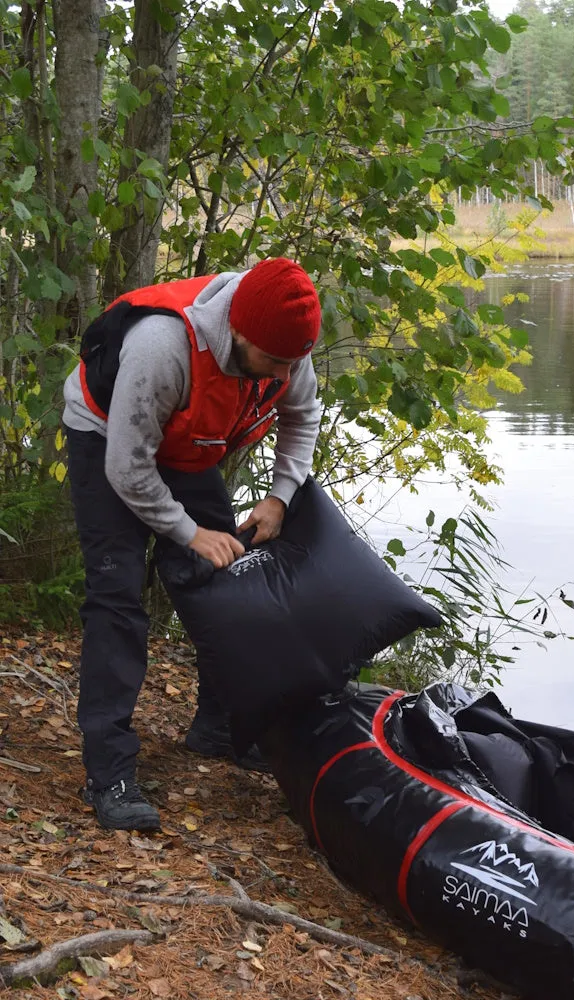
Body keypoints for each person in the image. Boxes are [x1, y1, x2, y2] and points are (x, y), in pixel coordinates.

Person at [61, 258, 323, 831]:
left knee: (224, 580)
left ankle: (218, 727)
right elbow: (127, 468)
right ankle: (110, 774)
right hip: (109, 435)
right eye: (273, 362)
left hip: (182, 446)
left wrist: (280, 497)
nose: (282, 375)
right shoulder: (163, 348)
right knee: (118, 597)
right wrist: (188, 533)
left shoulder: (286, 351)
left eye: (292, 363)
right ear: (239, 333)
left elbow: (302, 418)